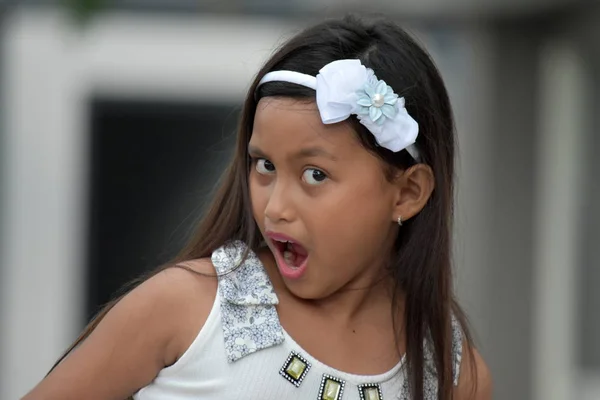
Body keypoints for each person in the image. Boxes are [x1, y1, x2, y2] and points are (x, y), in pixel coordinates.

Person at [23, 14, 492, 400]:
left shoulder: (454, 374)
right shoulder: (182, 307)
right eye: (264, 165)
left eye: (315, 175)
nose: (275, 209)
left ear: (408, 193)